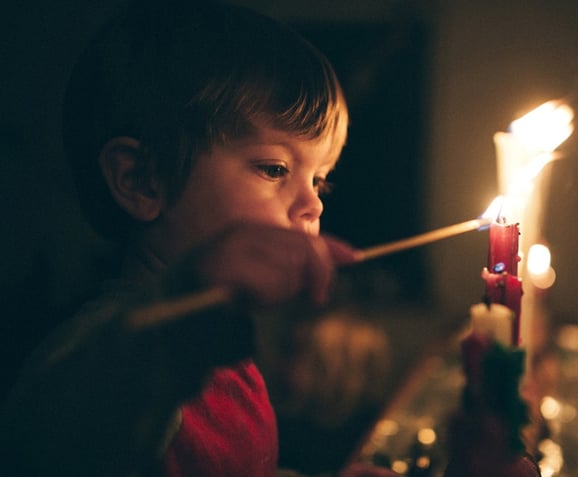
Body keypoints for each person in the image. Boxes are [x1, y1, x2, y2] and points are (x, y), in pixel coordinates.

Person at [1, 1, 395, 476]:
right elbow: (59, 437)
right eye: (275, 169)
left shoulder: (224, 343)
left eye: (320, 180)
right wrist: (176, 319)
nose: (314, 206)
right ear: (142, 180)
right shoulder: (125, 344)